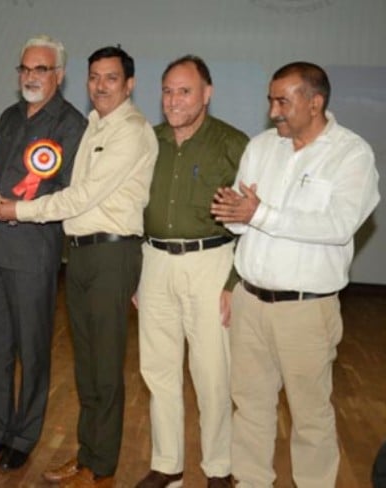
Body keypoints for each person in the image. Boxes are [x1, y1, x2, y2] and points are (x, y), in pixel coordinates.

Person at [0, 44, 158, 487]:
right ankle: (88, 457)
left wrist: (16, 211)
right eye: (95, 77)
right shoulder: (97, 126)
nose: (100, 86)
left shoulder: (131, 131)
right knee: (88, 367)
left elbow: (80, 197)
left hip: (110, 253)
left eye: (111, 78)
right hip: (80, 253)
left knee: (104, 368)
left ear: (130, 84)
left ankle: (100, 468)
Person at [210, 61, 379, 487]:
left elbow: (338, 226)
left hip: (306, 310)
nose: (273, 111)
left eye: (283, 101)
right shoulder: (262, 147)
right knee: (249, 407)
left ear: (315, 102)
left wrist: (259, 212)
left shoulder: (351, 154)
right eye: (270, 99)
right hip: (250, 302)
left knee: (310, 417)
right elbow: (242, 221)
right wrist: (234, 212)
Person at [0, 34, 86, 472]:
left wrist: (17, 210)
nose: (31, 77)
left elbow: (67, 190)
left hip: (34, 250)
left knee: (33, 350)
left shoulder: (72, 124)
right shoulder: (10, 118)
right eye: (25, 69)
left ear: (59, 75)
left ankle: (23, 436)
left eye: (41, 69)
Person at [134, 55, 247, 488]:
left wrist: (234, 283)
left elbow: (252, 217)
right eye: (167, 90)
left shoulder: (232, 143)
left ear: (207, 94)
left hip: (211, 263)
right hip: (154, 261)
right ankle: (168, 465)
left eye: (184, 91)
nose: (173, 100)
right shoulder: (148, 140)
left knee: (212, 373)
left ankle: (218, 469)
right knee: (157, 370)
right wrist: (136, 273)